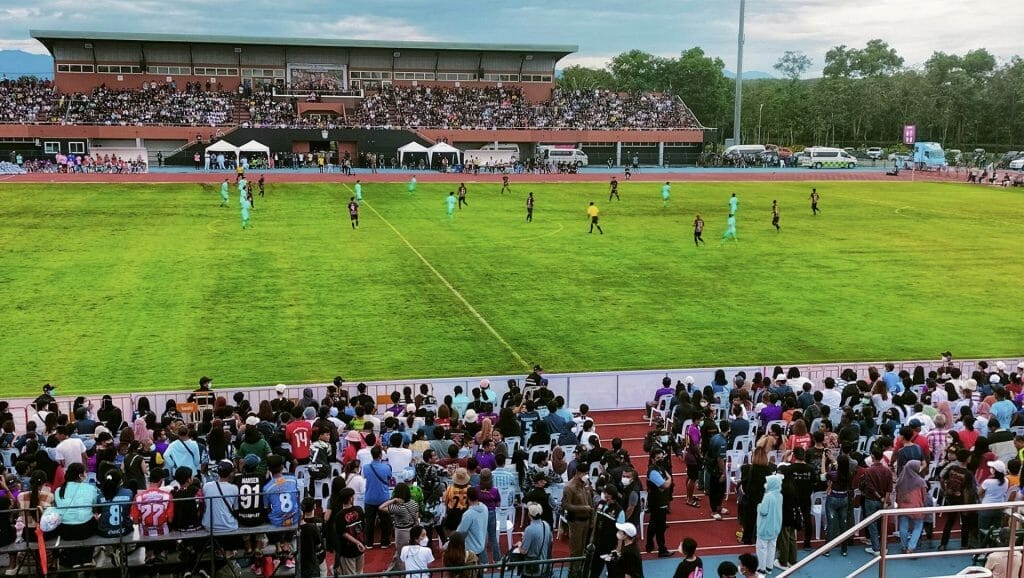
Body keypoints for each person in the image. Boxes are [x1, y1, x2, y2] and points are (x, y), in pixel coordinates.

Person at [54, 463, 98, 568]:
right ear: (80, 475)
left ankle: (75, 561)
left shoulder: (58, 490)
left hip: (65, 531)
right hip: (85, 529)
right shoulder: (90, 488)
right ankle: (87, 558)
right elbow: (94, 508)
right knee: (92, 521)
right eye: (84, 472)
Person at [263, 454, 301, 569]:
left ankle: (279, 546)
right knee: (295, 512)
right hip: (293, 519)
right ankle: (287, 545)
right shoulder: (293, 479)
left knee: (271, 515)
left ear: (269, 469)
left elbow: (266, 507)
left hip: (278, 522)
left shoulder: (267, 487)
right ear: (282, 467)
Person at [381, 482, 421, 569]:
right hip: (412, 530)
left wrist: (393, 500)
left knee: (401, 554)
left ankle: (403, 572)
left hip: (401, 532)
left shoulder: (398, 507)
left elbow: (381, 507)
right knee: (410, 553)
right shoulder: (414, 503)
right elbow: (416, 517)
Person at [563, 467, 594, 576]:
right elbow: (566, 505)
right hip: (576, 522)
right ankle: (572, 572)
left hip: (586, 520)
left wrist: (591, 520)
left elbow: (590, 502)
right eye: (584, 473)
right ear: (578, 473)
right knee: (575, 549)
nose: (586, 475)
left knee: (583, 548)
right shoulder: (569, 487)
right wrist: (583, 508)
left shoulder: (585, 484)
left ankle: (579, 569)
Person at [363, 446, 394, 548]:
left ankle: (369, 543)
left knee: (369, 522)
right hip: (383, 498)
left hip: (369, 497)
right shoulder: (386, 467)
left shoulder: (365, 467)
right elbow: (389, 478)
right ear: (380, 455)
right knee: (385, 522)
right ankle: (385, 542)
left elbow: (365, 477)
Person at [646, 447, 674, 556]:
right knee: (660, 527)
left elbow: (664, 485)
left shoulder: (660, 468)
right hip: (657, 503)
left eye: (662, 457)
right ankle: (662, 549)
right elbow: (664, 485)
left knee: (653, 524)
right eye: (658, 458)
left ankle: (649, 544)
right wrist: (669, 479)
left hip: (660, 502)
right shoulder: (653, 471)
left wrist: (667, 481)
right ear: (653, 459)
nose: (661, 459)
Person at [896, 459, 928, 554]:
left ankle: (904, 546)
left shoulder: (900, 481)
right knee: (918, 526)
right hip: (917, 507)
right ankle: (911, 547)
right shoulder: (921, 482)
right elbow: (924, 496)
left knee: (903, 526)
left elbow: (897, 494)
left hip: (903, 507)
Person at [755, 474, 783, 575]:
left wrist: (759, 506)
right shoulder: (780, 496)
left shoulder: (768, 496)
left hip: (765, 527)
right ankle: (769, 567)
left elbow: (763, 511)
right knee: (772, 547)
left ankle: (761, 568)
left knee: (762, 548)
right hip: (776, 526)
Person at [334, 487, 366, 575]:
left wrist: (357, 542)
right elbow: (363, 526)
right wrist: (359, 542)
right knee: (360, 572)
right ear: (350, 498)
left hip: (348, 549)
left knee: (350, 574)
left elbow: (342, 533)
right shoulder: (359, 509)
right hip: (359, 547)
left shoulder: (339, 515)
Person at [515, 503, 552, 578]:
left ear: (529, 514)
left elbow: (523, 551)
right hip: (544, 565)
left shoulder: (529, 529)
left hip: (532, 569)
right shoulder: (546, 525)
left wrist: (519, 544)